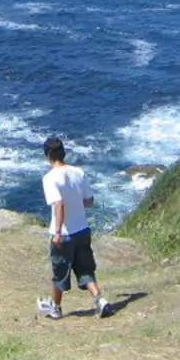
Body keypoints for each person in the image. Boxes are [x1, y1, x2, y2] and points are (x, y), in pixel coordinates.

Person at [36, 137, 112, 320]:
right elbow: (89, 200)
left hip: (65, 233)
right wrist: (76, 202)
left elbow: (59, 204)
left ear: (48, 155)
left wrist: (59, 233)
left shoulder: (49, 178)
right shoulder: (79, 172)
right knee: (85, 269)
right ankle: (100, 301)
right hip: (83, 230)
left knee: (59, 271)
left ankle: (56, 307)